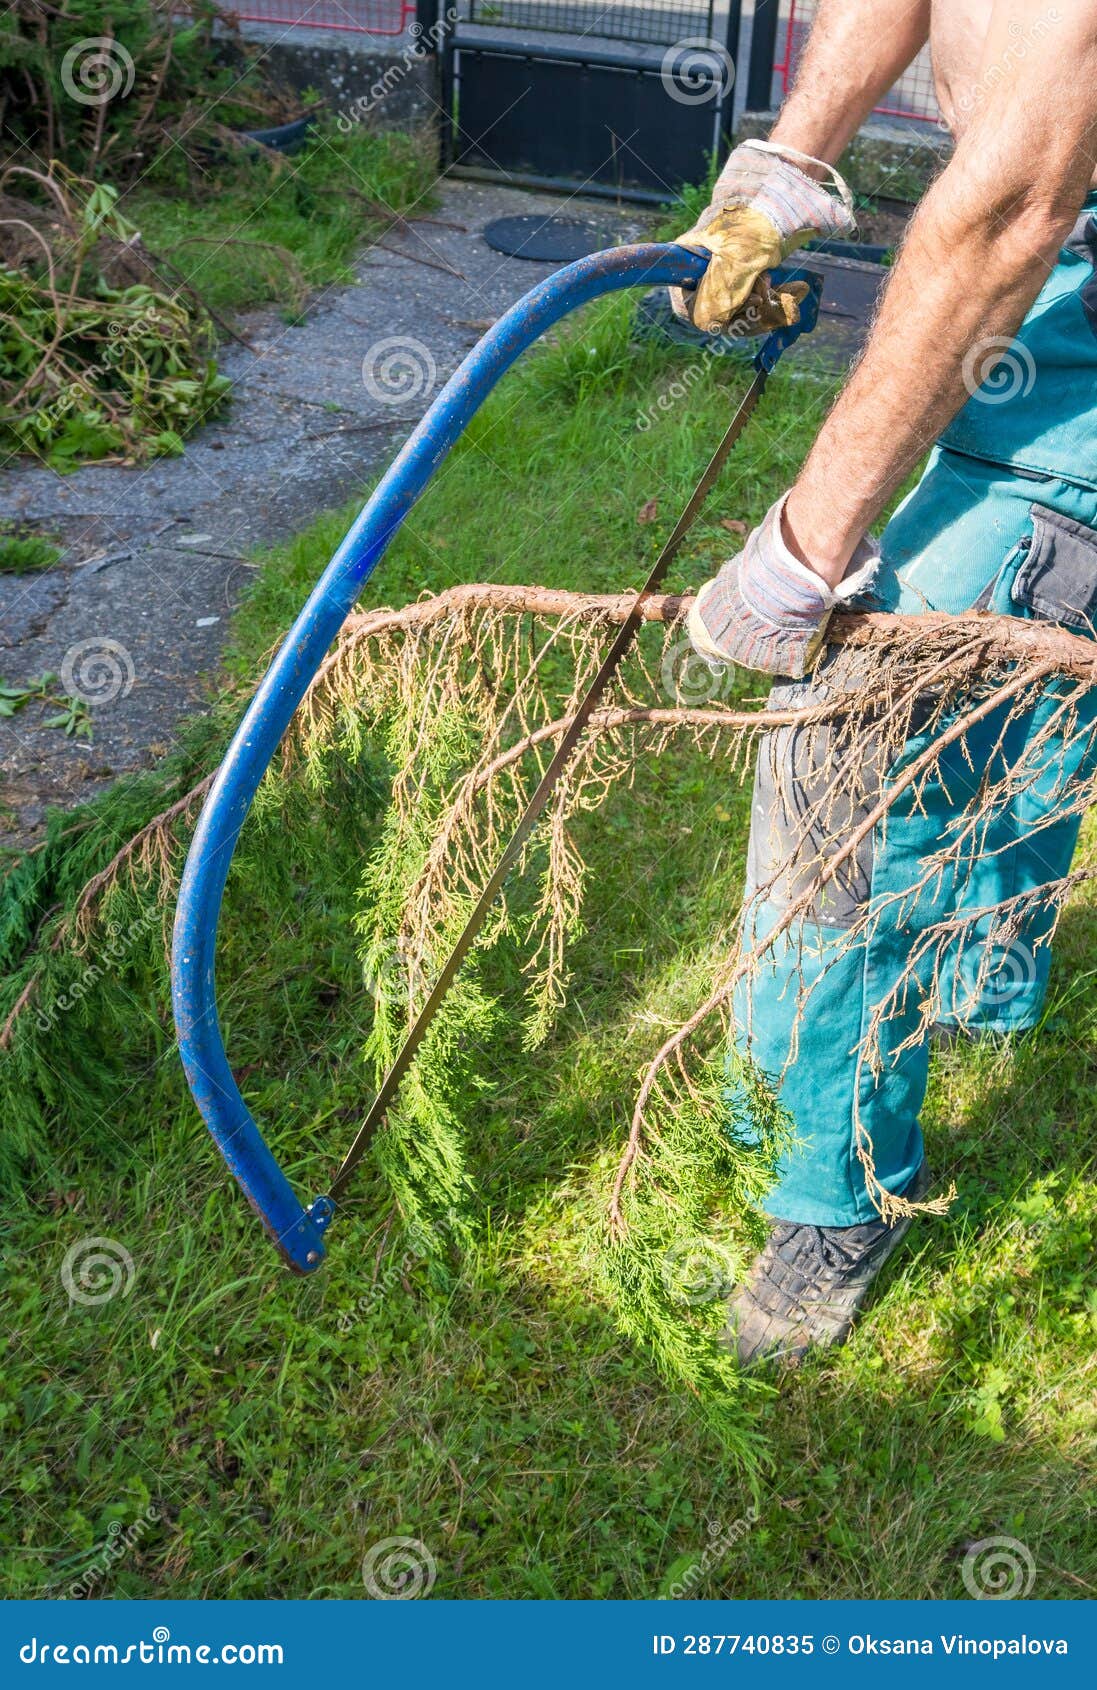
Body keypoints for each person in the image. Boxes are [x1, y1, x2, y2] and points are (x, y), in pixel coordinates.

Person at [674, 0, 1097, 1365]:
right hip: (1034, 350)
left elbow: (1009, 210)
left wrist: (803, 548)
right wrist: (788, 160)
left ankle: (836, 1192)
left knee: (850, 763)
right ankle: (874, 1024)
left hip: (1061, 383)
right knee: (933, 756)